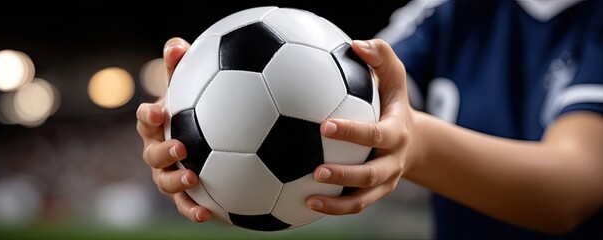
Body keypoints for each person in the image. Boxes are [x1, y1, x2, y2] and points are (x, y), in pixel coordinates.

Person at [136, 0, 602, 239]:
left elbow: (572, 190)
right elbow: (338, 112)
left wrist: (415, 144)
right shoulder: (444, 13)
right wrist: (202, 157)